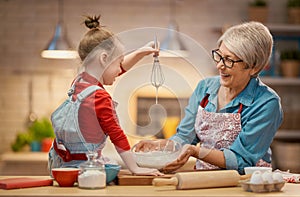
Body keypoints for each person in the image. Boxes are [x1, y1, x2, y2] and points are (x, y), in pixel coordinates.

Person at [135, 21, 283, 175]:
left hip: (246, 184)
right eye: (219, 56)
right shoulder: (205, 88)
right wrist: (160, 146)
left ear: (254, 67)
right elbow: (185, 137)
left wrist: (196, 151)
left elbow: (241, 160)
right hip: (205, 179)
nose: (220, 65)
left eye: (229, 60)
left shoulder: (266, 103)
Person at [48, 15, 162, 176]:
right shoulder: (100, 98)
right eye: (118, 62)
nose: (119, 70)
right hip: (87, 170)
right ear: (104, 58)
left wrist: (141, 52)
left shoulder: (78, 83)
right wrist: (135, 168)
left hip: (63, 166)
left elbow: (112, 71)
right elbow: (117, 135)